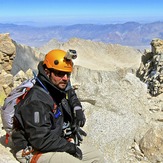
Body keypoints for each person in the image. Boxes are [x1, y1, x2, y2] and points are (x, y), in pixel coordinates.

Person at [11, 49, 104, 163]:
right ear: (47, 72)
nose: (65, 78)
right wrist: (70, 147)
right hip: (33, 149)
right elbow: (40, 140)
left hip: (53, 142)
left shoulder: (54, 88)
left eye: (67, 74)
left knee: (96, 156)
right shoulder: (36, 101)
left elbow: (70, 92)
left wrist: (77, 109)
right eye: (59, 73)